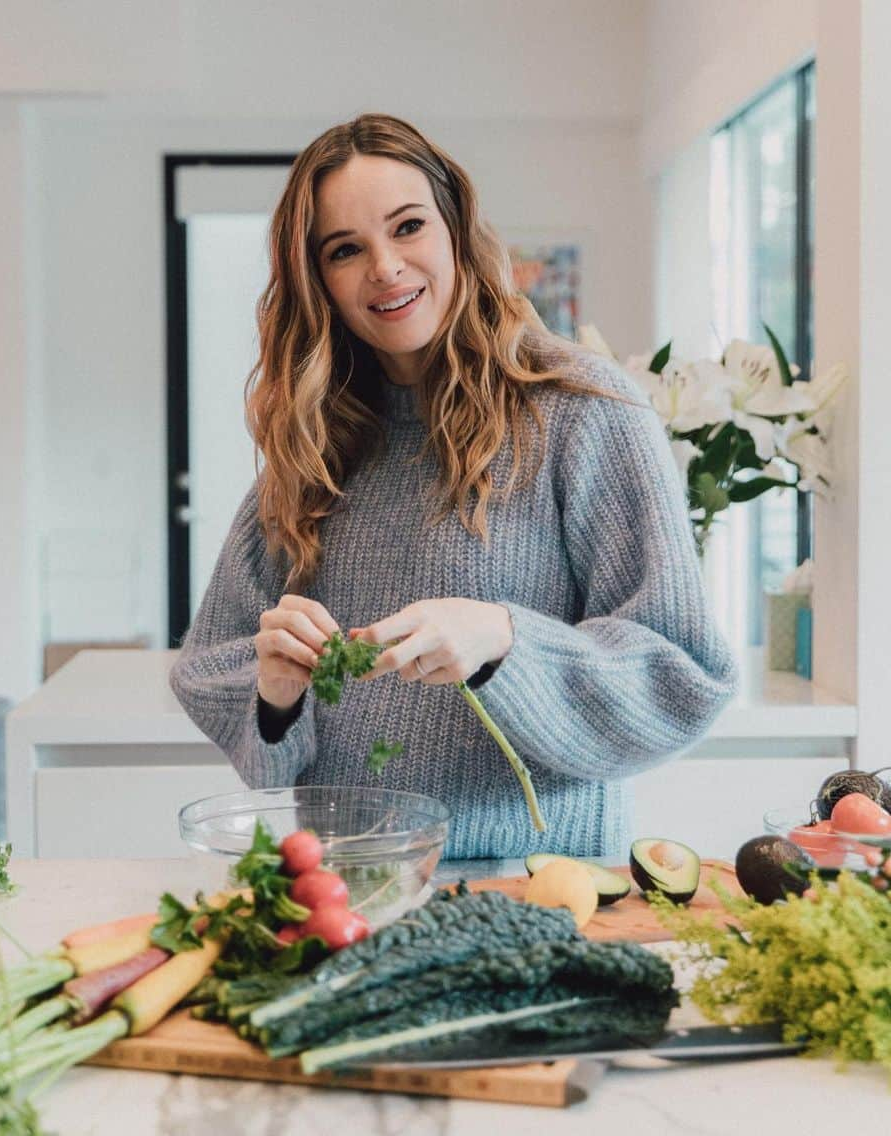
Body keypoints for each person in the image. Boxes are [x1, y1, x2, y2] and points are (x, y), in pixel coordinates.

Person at [170, 113, 737, 860]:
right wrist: (277, 694)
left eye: (408, 227)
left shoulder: (583, 410)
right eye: (346, 250)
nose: (385, 267)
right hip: (355, 881)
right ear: (321, 285)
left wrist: (504, 642)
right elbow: (212, 670)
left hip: (543, 885)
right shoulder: (313, 447)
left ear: (457, 232)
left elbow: (682, 674)